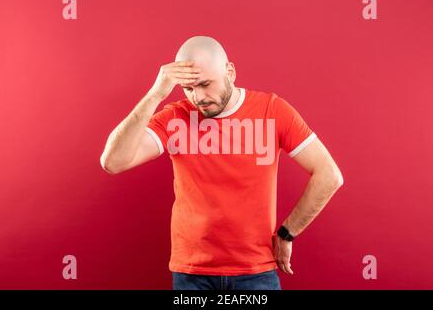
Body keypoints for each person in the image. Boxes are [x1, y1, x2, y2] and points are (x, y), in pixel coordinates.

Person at [100, 36, 344, 290]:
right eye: (189, 88)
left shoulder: (272, 111)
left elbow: (329, 175)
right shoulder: (176, 117)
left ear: (230, 71)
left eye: (206, 84)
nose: (199, 98)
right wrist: (155, 95)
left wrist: (287, 233)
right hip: (192, 274)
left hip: (256, 272)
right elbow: (113, 162)